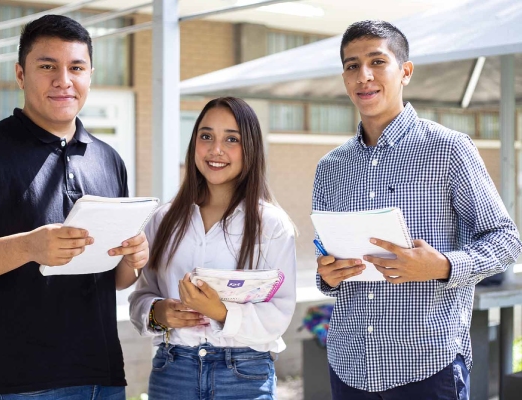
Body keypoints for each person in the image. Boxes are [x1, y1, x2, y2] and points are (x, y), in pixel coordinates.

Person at [0, 15, 148, 399]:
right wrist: (29, 246)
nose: (64, 79)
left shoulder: (109, 159)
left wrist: (133, 256)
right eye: (47, 66)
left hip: (102, 377)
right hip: (15, 382)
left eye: (76, 67)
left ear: (90, 75)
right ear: (20, 74)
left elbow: (114, 280)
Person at [313, 20, 522, 399]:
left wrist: (441, 266)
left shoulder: (449, 149)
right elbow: (325, 266)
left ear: (405, 71)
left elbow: (507, 241)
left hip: (427, 366)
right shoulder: (330, 168)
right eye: (351, 65)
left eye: (377, 62)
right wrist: (328, 274)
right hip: (349, 367)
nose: (364, 76)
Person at [128, 97, 296, 400]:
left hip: (243, 375)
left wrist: (219, 312)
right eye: (206, 136)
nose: (215, 149)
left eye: (231, 139)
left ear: (251, 149)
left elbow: (279, 314)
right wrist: (158, 313)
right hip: (173, 371)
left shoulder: (271, 225)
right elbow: (141, 297)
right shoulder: (162, 220)